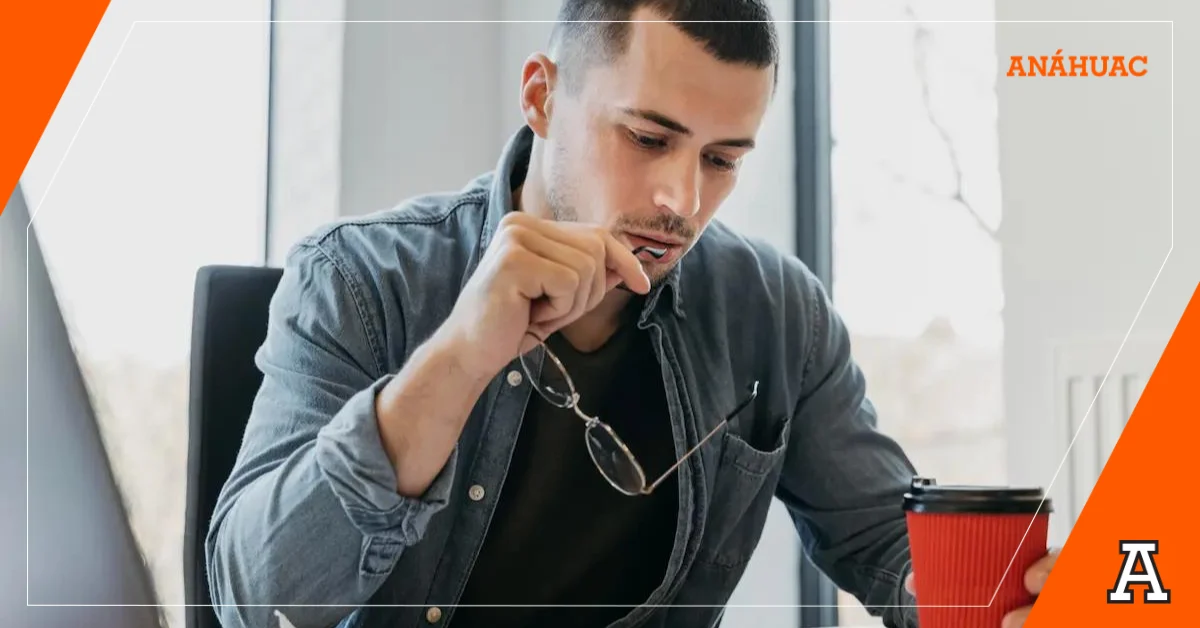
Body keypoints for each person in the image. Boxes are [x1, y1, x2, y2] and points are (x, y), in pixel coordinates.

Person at [205, 1, 1056, 627]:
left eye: (722, 159)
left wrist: (998, 598)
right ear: (540, 96)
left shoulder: (774, 312)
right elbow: (255, 598)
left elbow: (883, 546)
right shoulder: (359, 277)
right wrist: (458, 359)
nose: (681, 201)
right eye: (648, 139)